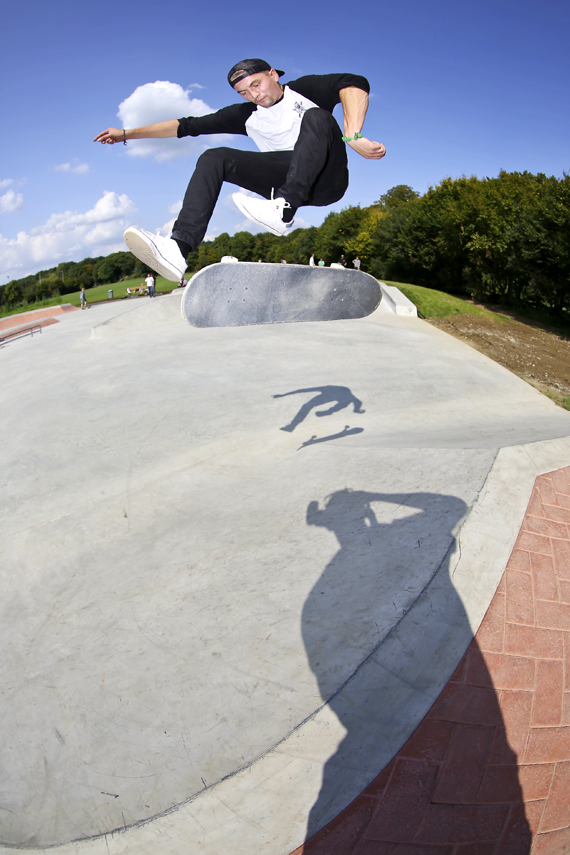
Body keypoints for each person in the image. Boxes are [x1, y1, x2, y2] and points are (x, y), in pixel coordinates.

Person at [94, 59, 385, 283]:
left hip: (328, 179)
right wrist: (126, 134)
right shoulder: (245, 116)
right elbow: (186, 125)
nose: (254, 95)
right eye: (244, 92)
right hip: (284, 180)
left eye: (256, 85)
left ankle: (283, 208)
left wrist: (353, 134)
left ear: (273, 74)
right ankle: (178, 249)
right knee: (214, 157)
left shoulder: (305, 91)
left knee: (317, 116)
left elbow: (354, 83)